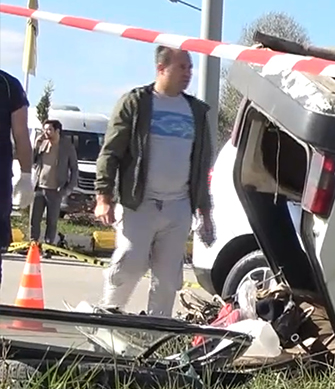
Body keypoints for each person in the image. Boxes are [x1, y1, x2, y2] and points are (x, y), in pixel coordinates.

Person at [95, 46, 216, 317]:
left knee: (168, 278)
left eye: (190, 67)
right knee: (131, 262)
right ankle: (108, 314)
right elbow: (111, 151)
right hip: (140, 203)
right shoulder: (136, 103)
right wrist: (104, 197)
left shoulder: (196, 111)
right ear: (161, 69)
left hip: (178, 206)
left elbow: (201, 165)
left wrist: (205, 212)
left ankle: (156, 328)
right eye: (181, 67)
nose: (189, 73)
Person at [2, 69, 33, 287]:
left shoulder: (9, 85)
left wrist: (26, 175)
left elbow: (21, 135)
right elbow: (21, 134)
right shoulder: (8, 84)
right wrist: (25, 175)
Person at [29, 118, 78, 251]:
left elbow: (74, 168)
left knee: (52, 221)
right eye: (45, 130)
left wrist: (68, 188)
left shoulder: (66, 146)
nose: (46, 133)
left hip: (56, 190)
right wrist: (36, 146)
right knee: (34, 219)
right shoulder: (42, 144)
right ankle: (33, 245)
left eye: (49, 129)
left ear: (57, 131)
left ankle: (48, 247)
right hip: (39, 187)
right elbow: (32, 162)